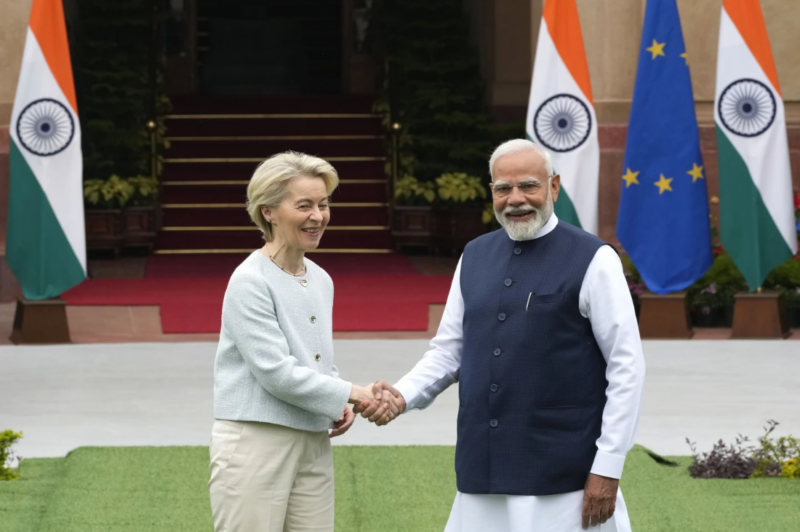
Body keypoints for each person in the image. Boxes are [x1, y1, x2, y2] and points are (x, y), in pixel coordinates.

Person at [357, 139, 646, 531]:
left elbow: (626, 367)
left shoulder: (594, 258)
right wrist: (401, 396)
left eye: (528, 186)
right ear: (491, 191)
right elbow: (448, 352)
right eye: (503, 188)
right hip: (482, 464)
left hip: (564, 471)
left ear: (554, 186)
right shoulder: (474, 255)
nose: (516, 199)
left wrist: (608, 465)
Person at [208, 151, 374, 532]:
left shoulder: (321, 278)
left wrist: (336, 400)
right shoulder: (249, 281)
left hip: (313, 440)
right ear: (268, 211)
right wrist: (352, 393)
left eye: (323, 204)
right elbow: (276, 373)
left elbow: (315, 359)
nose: (318, 216)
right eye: (304, 206)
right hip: (254, 444)